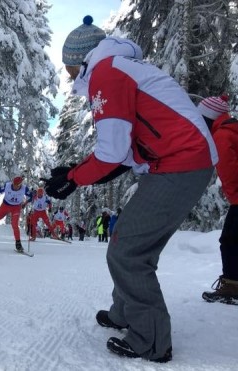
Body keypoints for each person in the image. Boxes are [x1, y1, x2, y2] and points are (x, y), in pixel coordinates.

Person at [43, 16, 217, 362]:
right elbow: (122, 154)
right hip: (177, 162)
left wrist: (75, 178)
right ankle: (124, 313)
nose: (68, 76)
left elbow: (110, 153)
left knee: (127, 252)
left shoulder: (107, 72)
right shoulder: (117, 67)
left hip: (181, 162)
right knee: (128, 237)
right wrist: (75, 174)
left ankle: (151, 340)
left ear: (82, 60)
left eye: (69, 68)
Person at [197, 95, 238, 305]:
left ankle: (232, 286)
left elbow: (230, 172)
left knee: (229, 240)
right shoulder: (231, 129)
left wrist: (234, 198)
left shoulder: (222, 135)